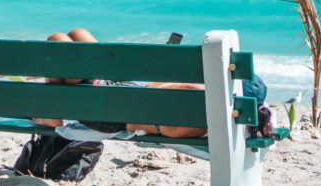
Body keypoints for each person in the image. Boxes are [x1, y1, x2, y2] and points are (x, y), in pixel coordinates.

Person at [35, 28, 273, 139]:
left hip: (103, 109)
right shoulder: (199, 111)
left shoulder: (196, 118)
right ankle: (55, 106)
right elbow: (154, 90)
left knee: (57, 41)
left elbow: (152, 113)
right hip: (115, 90)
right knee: (76, 34)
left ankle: (54, 109)